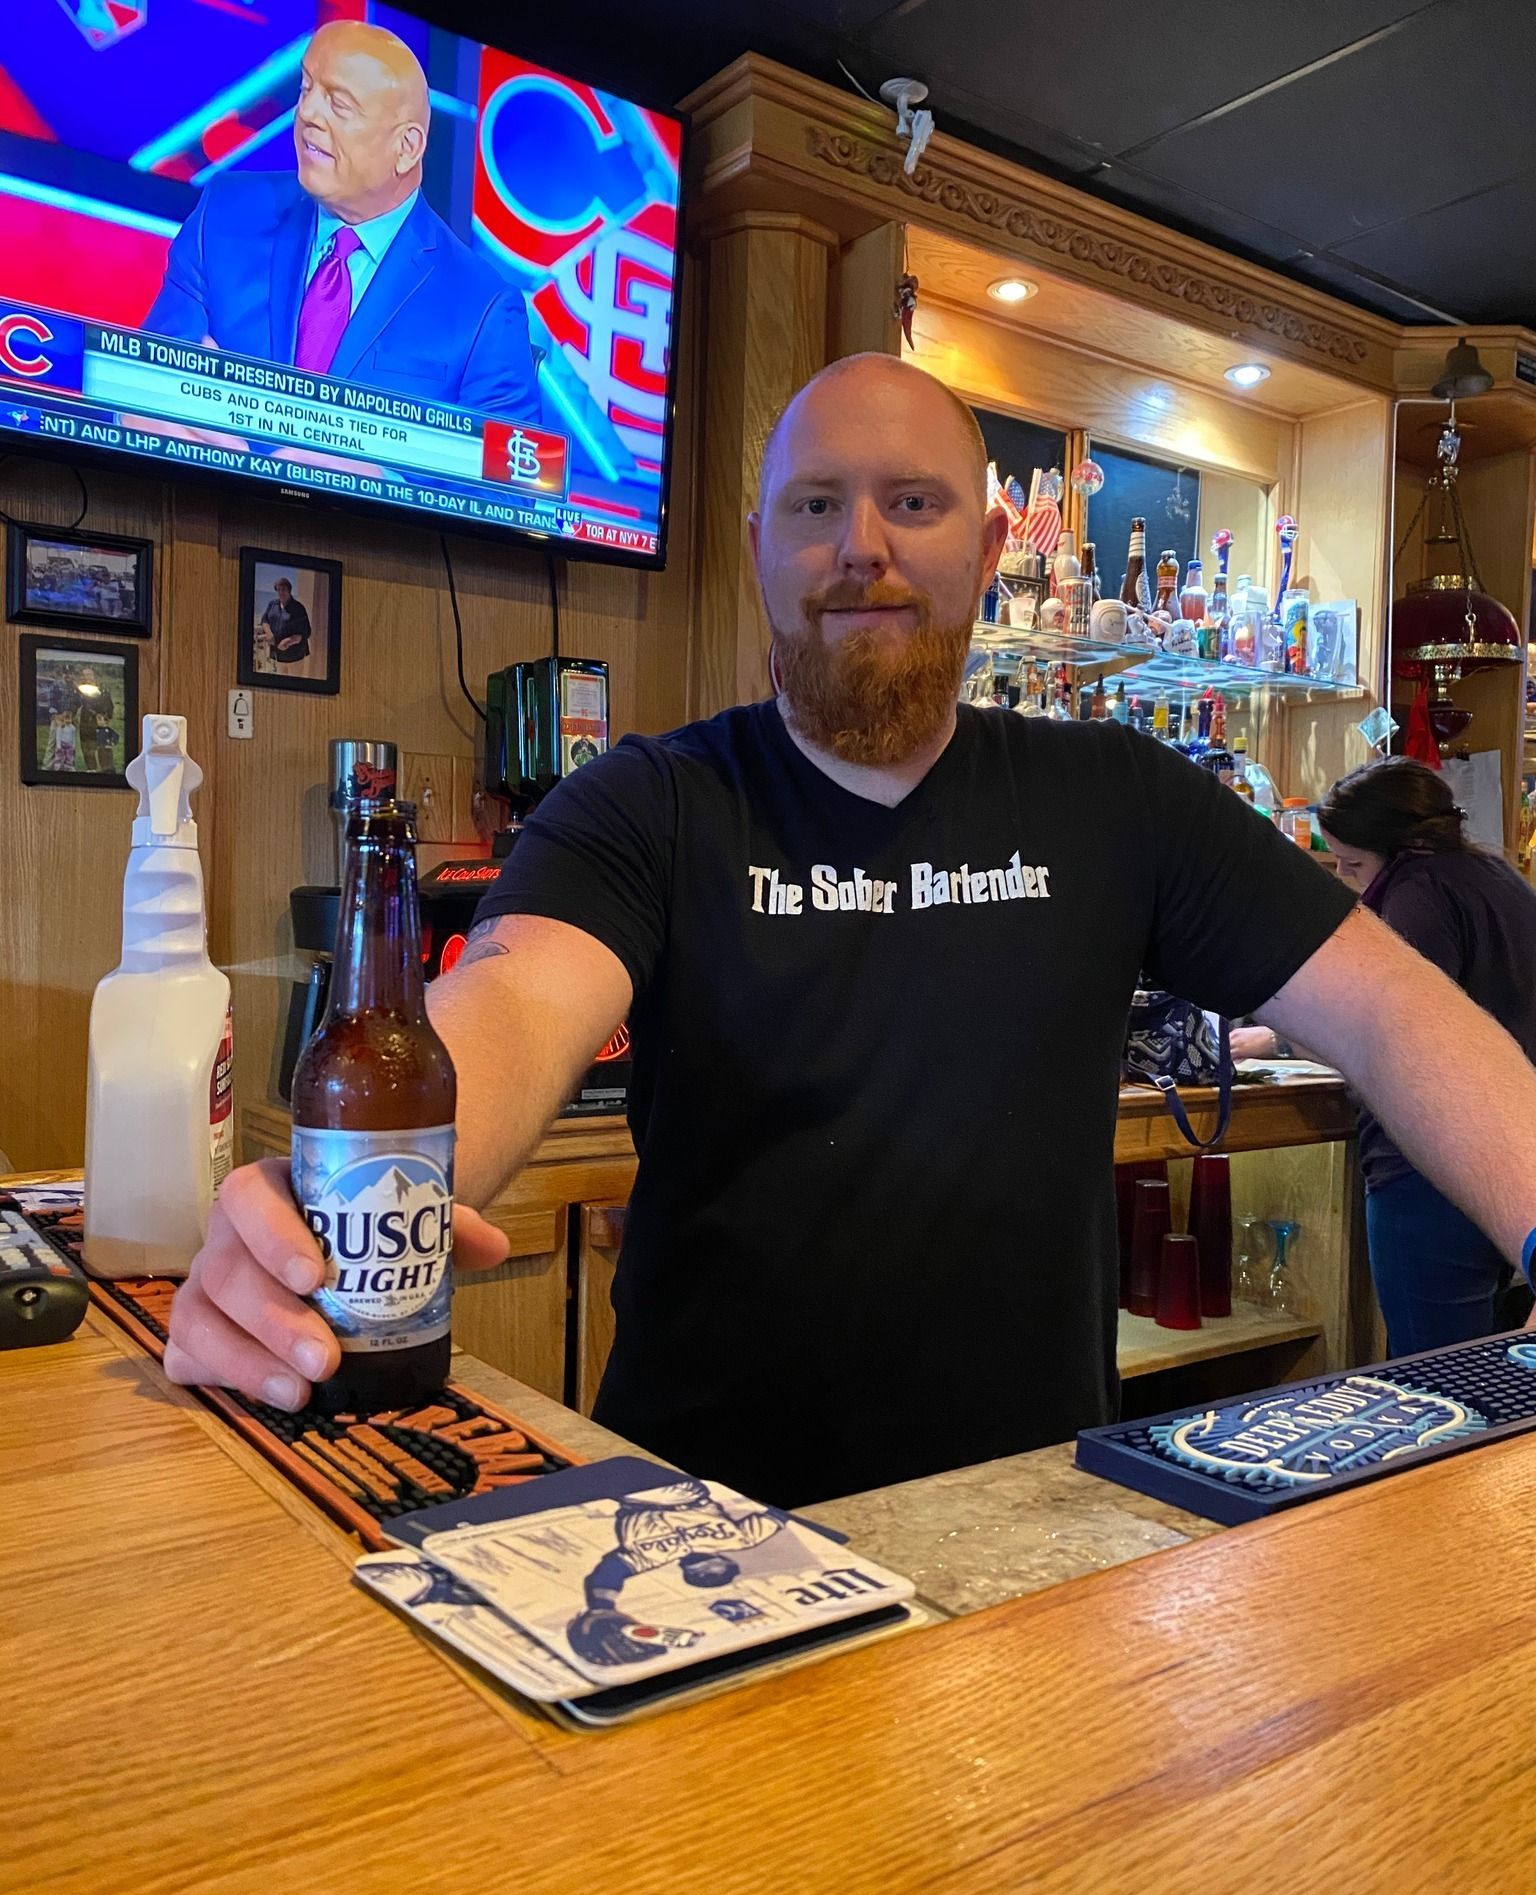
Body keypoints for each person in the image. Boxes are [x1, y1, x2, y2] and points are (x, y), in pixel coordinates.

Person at [165, 355, 1536, 1510]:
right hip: (693, 1530)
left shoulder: (1117, 798)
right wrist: (352, 1215)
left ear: (991, 554)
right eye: (816, 504)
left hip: (1037, 1525)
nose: (861, 548)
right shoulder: (650, 804)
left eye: (914, 503)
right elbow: (515, 999)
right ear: (760, 543)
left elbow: (1393, 1010)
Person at [1236, 757, 1536, 1356]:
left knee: (1433, 1372)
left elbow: (1391, 1024)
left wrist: (1279, 1033)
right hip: (1510, 1148)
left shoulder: (1415, 891)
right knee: (1484, 1363)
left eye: (1354, 864)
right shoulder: (1495, 874)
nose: (1349, 881)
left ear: (1404, 847)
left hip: (1428, 1165)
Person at [143, 21, 539, 420]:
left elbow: (501, 477)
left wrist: (382, 477)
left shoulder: (484, 308)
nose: (307, 114)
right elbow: (148, 376)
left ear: (406, 147)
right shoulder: (226, 213)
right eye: (306, 88)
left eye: (339, 104)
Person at [258, 578, 312, 667]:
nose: (280, 592)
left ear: (289, 590)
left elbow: (306, 631)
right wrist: (269, 633)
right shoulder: (272, 604)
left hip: (295, 656)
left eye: (283, 589)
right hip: (276, 654)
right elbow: (265, 620)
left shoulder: (298, 608)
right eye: (278, 589)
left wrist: (290, 640)